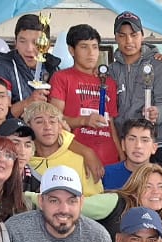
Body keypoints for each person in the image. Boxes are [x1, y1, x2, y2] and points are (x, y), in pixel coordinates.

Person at [108, 11, 162, 173]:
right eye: (122, 36)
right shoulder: (111, 71)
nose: (128, 41)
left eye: (134, 35)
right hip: (124, 147)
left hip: (155, 144)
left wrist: (157, 113)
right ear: (115, 38)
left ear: (142, 36)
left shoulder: (159, 65)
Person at [50, 24, 121, 167]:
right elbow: (55, 120)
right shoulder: (61, 78)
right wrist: (84, 120)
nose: (91, 53)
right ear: (71, 50)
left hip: (110, 160)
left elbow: (111, 124)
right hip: (76, 159)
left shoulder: (109, 82)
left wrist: (122, 158)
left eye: (95, 47)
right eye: (84, 47)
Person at [0, 14, 60, 118]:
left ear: (46, 45)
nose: (29, 48)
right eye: (22, 41)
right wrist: (28, 102)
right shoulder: (0, 69)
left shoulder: (54, 68)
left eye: (36, 42)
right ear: (15, 42)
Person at [25, 100, 105, 196]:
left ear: (60, 126)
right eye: (39, 122)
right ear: (28, 127)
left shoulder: (82, 161)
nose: (47, 127)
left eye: (52, 121)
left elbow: (97, 200)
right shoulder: (24, 162)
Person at [103, 119, 162, 195]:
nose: (138, 145)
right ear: (123, 144)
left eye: (145, 140)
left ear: (154, 147)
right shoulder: (106, 175)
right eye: (132, 139)